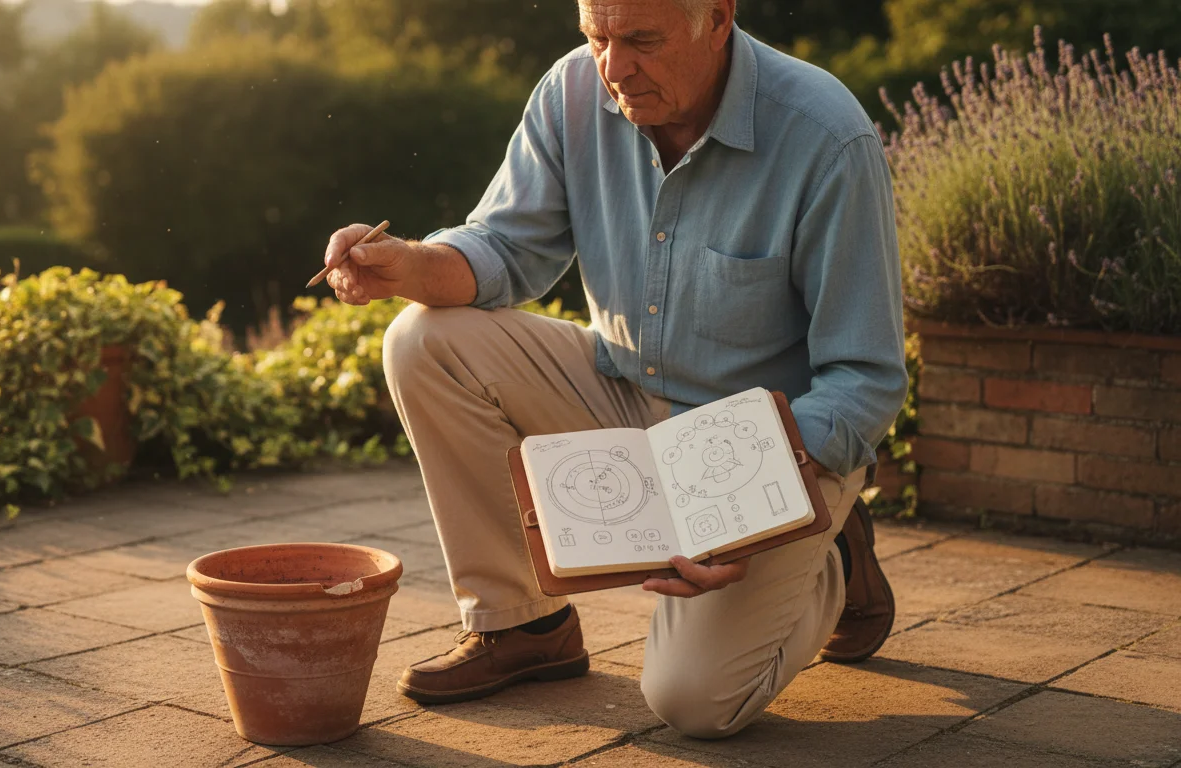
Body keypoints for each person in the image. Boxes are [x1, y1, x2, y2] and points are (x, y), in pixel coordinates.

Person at [318, 0, 908, 738]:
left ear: (718, 18)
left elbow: (865, 376)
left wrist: (747, 506)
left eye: (641, 41)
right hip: (625, 389)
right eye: (595, 37)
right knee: (422, 343)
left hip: (764, 446)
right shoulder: (571, 93)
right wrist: (408, 265)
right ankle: (524, 629)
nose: (613, 69)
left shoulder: (825, 136)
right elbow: (503, 250)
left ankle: (832, 554)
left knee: (694, 704)